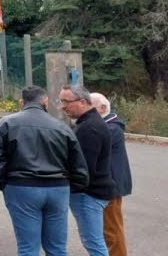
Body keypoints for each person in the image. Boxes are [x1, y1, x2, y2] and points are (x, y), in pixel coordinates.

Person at [0, 85, 89, 256]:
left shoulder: (7, 123)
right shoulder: (62, 127)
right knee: (57, 248)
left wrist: (4, 184)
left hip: (22, 187)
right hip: (58, 188)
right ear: (45, 101)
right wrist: (72, 186)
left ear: (22, 102)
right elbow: (78, 164)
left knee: (28, 248)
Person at [59, 85, 117, 256]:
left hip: (89, 194)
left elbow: (84, 168)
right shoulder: (89, 123)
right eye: (61, 101)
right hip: (92, 191)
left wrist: (71, 186)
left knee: (93, 242)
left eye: (66, 102)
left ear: (83, 102)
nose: (63, 106)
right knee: (94, 241)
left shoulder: (89, 127)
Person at [92, 93, 131, 256]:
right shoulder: (108, 126)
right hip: (109, 185)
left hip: (110, 186)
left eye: (90, 107)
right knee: (107, 229)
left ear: (102, 108)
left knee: (111, 230)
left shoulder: (111, 129)